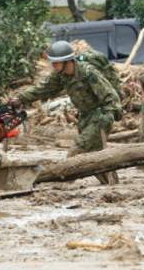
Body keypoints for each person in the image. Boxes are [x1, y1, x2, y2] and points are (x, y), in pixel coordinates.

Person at [11, 41, 122, 184]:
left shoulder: (88, 73)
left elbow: (110, 95)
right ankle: (112, 184)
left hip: (100, 117)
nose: (53, 66)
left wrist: (109, 116)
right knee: (93, 155)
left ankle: (64, 184)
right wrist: (20, 98)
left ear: (67, 61)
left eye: (56, 63)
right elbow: (43, 89)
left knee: (76, 151)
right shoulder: (61, 75)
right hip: (85, 117)